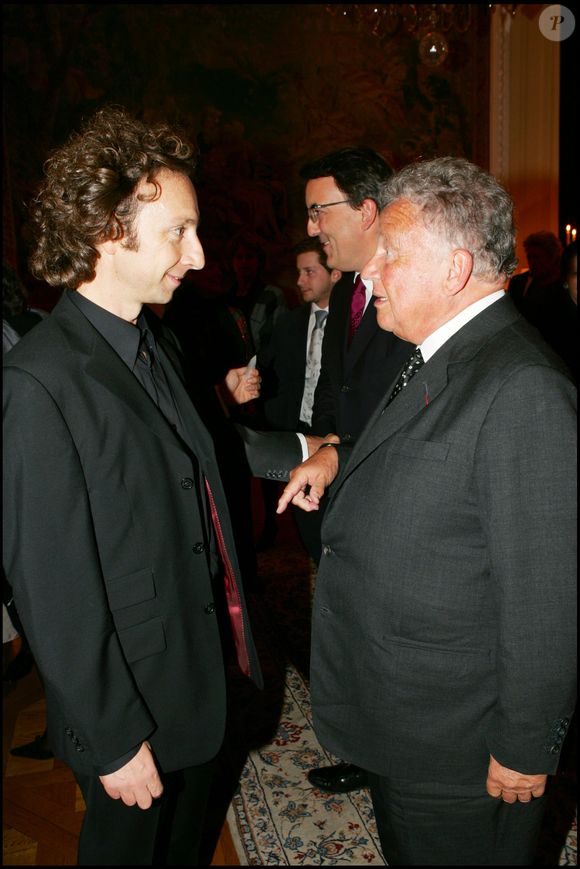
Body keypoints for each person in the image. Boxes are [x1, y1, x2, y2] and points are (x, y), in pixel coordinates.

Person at [2, 105, 301, 866]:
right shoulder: (40, 382)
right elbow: (52, 586)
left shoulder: (150, 338)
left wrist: (307, 450)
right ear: (108, 228)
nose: (198, 256)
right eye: (179, 231)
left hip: (193, 680)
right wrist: (113, 736)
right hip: (131, 707)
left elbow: (191, 458)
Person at [275, 156, 576, 866]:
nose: (370, 272)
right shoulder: (443, 355)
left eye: (391, 256)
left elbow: (546, 598)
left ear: (454, 268)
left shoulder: (522, 388)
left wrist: (525, 746)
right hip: (407, 720)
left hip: (457, 743)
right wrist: (339, 455)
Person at [299, 146, 414, 793]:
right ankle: (369, 746)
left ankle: (393, 758)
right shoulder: (350, 290)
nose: (312, 227)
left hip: (396, 504)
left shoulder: (410, 288)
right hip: (352, 491)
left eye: (320, 212)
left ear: (367, 210)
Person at [255, 237, 341, 551]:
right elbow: (270, 372)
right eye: (299, 272)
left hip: (334, 436)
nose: (300, 280)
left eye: (309, 272)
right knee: (305, 520)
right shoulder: (289, 322)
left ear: (334, 274)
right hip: (295, 432)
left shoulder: (353, 325)